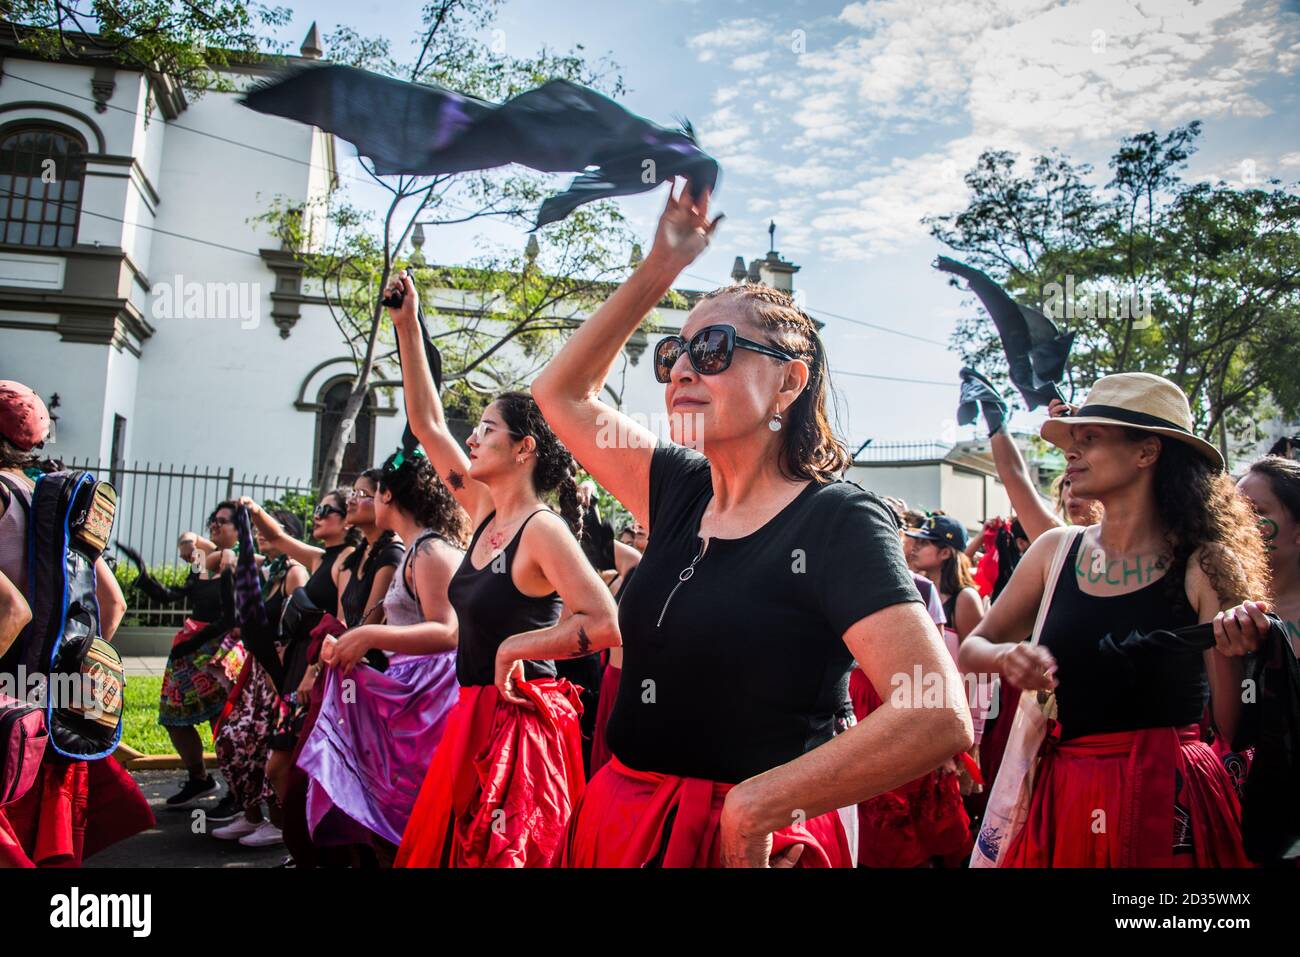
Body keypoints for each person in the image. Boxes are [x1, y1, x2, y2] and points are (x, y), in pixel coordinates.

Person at [533, 181, 972, 867]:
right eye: (673, 354)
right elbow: (558, 393)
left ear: (789, 383)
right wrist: (662, 265)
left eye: (711, 349)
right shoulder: (676, 487)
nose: (681, 368)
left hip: (757, 842)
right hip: (623, 826)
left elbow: (937, 709)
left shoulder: (837, 519)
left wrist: (759, 804)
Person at [959, 372, 1270, 867]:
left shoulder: (1206, 563)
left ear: (1147, 452)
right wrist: (1006, 657)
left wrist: (1236, 653)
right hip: (1063, 793)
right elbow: (973, 646)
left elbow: (1232, 724)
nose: (1071, 453)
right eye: (1072, 441)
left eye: (1090, 438)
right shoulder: (1054, 551)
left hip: (1167, 797)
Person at [387, 270, 621, 868]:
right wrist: (407, 325)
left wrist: (517, 646)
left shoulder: (542, 531)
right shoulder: (485, 511)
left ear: (524, 450)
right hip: (471, 716)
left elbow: (604, 622)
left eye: (487, 428)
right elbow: (427, 426)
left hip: (522, 730)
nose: (473, 434)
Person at [0, 381, 152, 866]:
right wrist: (63, 666)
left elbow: (11, 610)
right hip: (51, 711)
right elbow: (114, 603)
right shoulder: (56, 505)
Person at [298, 450, 469, 861]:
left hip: (428, 704)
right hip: (410, 693)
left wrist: (369, 636)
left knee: (413, 819)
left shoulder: (428, 552)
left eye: (371, 493)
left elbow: (448, 631)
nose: (367, 499)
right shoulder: (417, 549)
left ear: (388, 496)